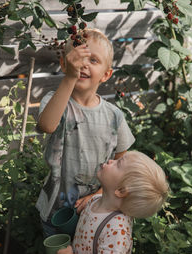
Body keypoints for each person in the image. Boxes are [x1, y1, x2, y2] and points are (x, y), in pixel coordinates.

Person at [35, 28, 135, 237]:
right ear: (65, 64)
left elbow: (122, 164)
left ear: (106, 74)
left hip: (98, 208)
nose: (83, 65)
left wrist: (99, 194)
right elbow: (47, 126)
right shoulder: (55, 101)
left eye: (93, 60)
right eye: (78, 59)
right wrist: (70, 77)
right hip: (56, 207)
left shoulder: (114, 116)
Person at [55, 150, 169, 254]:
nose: (111, 161)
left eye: (118, 164)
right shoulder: (95, 200)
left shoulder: (117, 228)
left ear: (121, 190)